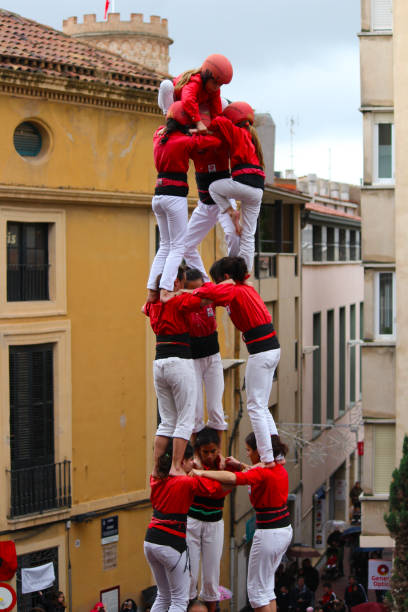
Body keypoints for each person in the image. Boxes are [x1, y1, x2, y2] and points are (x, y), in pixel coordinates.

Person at [193, 256, 280, 466]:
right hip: (270, 349)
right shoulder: (244, 289)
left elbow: (207, 293)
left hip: (261, 351)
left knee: (255, 406)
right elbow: (215, 297)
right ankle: (277, 455)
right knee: (262, 406)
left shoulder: (234, 289)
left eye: (218, 280)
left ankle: (268, 458)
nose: (217, 285)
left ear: (225, 278)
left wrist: (186, 293)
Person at [193, 433, 292, 612]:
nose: (247, 454)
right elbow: (255, 473)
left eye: (248, 450)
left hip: (268, 533)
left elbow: (234, 478)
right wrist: (241, 465)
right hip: (283, 530)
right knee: (267, 589)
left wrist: (201, 472)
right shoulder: (277, 467)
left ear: (259, 451)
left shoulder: (262, 472)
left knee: (256, 592)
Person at [146, 101, 221, 302]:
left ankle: (152, 290)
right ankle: (165, 289)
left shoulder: (158, 136)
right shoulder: (185, 141)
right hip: (174, 195)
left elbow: (164, 127)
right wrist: (199, 128)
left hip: (158, 195)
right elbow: (214, 143)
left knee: (165, 245)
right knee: (178, 246)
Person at [144, 440, 225, 612]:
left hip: (150, 540)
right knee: (180, 600)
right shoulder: (186, 482)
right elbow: (217, 489)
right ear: (182, 462)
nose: (193, 463)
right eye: (190, 460)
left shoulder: (156, 478)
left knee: (163, 595)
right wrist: (208, 471)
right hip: (171, 541)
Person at [143, 267, 202, 476]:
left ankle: (156, 469)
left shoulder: (154, 302)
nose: (184, 286)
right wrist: (182, 294)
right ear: (175, 283)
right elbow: (204, 299)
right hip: (180, 362)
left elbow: (144, 308)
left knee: (167, 420)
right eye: (183, 282)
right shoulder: (179, 301)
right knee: (185, 419)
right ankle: (177, 467)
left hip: (159, 363)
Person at [208, 102, 265, 272]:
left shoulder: (234, 131)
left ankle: (230, 210)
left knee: (213, 188)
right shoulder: (251, 138)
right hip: (257, 191)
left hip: (243, 185)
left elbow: (215, 121)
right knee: (248, 235)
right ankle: (244, 275)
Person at [184, 129, 240, 280]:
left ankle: (233, 277)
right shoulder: (192, 145)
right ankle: (205, 281)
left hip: (224, 203)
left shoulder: (221, 142)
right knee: (186, 245)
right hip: (204, 205)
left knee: (233, 235)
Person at [187, 427, 230, 612]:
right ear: (198, 451)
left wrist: (203, 476)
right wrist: (216, 482)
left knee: (211, 576)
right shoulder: (191, 466)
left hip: (214, 524)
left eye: (213, 451)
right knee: (189, 575)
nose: (210, 456)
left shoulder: (226, 466)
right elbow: (215, 489)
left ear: (219, 449)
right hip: (192, 523)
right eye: (205, 452)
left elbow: (221, 488)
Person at [184, 269, 227, 440]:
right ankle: (195, 454)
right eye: (193, 290)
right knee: (195, 410)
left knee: (215, 408)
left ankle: (218, 452)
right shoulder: (184, 303)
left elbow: (222, 289)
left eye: (200, 289)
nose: (199, 295)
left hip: (213, 357)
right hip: (192, 359)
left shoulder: (210, 300)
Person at [158, 54, 233, 131]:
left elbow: (216, 111)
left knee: (223, 102)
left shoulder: (215, 90)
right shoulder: (195, 81)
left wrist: (216, 128)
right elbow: (188, 100)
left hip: (193, 108)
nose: (216, 87)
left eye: (220, 85)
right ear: (206, 76)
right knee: (166, 85)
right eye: (214, 83)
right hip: (175, 103)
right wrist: (198, 123)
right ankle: (168, 123)